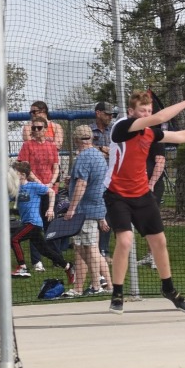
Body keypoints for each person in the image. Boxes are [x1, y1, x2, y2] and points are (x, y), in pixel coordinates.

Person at [105, 91, 185, 314]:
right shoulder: (122, 127)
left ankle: (168, 289)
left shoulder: (149, 133)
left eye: (149, 111)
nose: (146, 114)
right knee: (125, 241)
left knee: (160, 241)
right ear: (131, 112)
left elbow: (180, 136)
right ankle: (117, 293)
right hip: (117, 194)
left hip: (141, 193)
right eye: (142, 111)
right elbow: (160, 118)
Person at [63, 125, 113, 296]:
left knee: (88, 248)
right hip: (96, 207)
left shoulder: (83, 157)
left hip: (85, 210)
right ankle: (103, 285)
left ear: (76, 140)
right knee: (85, 248)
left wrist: (71, 208)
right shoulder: (99, 156)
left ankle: (97, 285)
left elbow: (82, 184)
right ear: (91, 138)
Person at [9, 161, 75, 281]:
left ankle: (22, 267)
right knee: (45, 250)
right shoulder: (16, 189)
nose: (12, 175)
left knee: (14, 239)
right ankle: (67, 266)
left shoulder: (33, 186)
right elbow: (6, 198)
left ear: (23, 175)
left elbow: (51, 192)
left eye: (15, 173)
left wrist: (50, 209)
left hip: (33, 223)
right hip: (27, 223)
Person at [17, 116, 60, 271]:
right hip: (34, 190)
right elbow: (25, 168)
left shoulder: (51, 146)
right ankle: (37, 261)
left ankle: (56, 258)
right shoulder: (27, 145)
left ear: (46, 129)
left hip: (50, 190)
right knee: (34, 226)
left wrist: (51, 183)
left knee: (51, 225)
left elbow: (56, 167)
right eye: (33, 128)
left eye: (39, 127)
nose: (35, 130)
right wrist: (40, 184)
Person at [137, 138, 167, 269]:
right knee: (144, 220)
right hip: (138, 185)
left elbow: (160, 162)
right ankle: (151, 254)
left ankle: (157, 256)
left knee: (152, 220)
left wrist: (151, 184)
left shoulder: (156, 139)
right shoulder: (135, 138)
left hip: (152, 187)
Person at [90, 101, 115, 260]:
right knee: (95, 214)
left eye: (111, 115)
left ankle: (104, 249)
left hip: (112, 177)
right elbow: (85, 147)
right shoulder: (89, 130)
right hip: (95, 178)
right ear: (98, 113)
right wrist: (101, 149)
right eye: (107, 114)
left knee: (109, 214)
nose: (110, 117)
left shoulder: (114, 130)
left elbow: (116, 150)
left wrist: (105, 150)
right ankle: (93, 249)